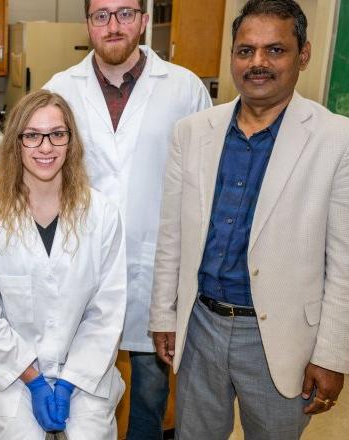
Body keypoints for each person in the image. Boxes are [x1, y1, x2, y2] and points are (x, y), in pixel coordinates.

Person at [149, 0, 349, 438]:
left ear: (303, 55)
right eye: (245, 50)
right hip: (201, 326)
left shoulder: (343, 143)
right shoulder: (194, 132)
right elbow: (172, 235)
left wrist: (331, 357)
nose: (257, 63)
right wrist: (164, 313)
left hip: (280, 338)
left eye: (275, 50)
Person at [44, 1, 212, 437]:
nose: (113, 25)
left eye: (124, 13)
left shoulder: (184, 88)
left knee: (150, 389)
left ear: (143, 19)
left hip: (153, 266)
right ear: (88, 24)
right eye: (101, 15)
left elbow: (203, 183)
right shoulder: (60, 88)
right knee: (77, 384)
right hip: (80, 261)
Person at [0, 89, 127, 439]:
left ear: (70, 142)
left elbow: (106, 312)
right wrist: (33, 380)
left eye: (57, 135)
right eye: (32, 136)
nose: (45, 147)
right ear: (16, 144)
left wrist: (67, 382)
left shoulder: (102, 215)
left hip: (84, 373)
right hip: (14, 376)